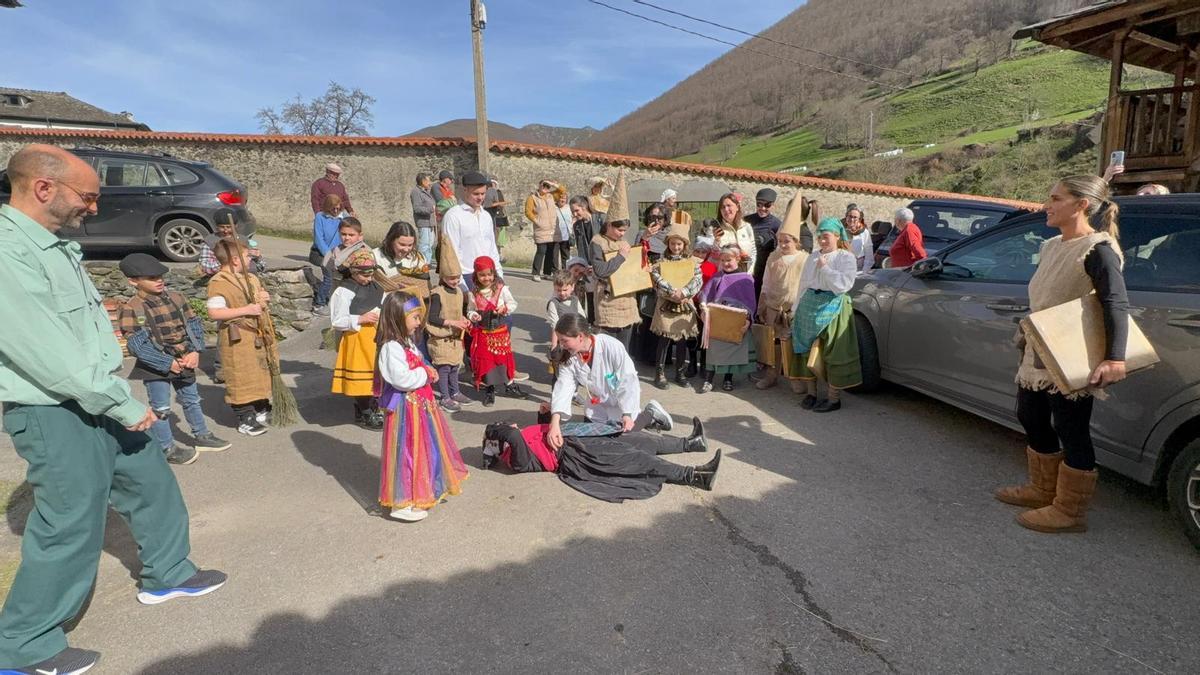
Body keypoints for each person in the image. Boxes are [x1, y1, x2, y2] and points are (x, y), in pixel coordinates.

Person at [0, 144, 225, 674]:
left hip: (100, 396)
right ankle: (22, 645)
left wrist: (113, 398)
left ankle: (167, 574)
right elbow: (43, 351)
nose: (94, 208)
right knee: (71, 518)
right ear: (43, 188)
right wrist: (120, 403)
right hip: (54, 407)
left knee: (149, 481)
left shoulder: (54, 244)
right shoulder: (8, 250)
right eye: (89, 196)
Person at [995, 175, 1129, 534]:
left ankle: (1070, 511)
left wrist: (1115, 358)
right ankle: (1042, 490)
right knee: (1030, 415)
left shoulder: (1098, 248)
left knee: (1071, 427)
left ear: (1081, 204)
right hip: (1040, 349)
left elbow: (1115, 303)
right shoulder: (1053, 245)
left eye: (1055, 198)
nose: (1047, 204)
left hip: (1072, 353)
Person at [117, 253, 230, 464]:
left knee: (191, 399)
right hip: (156, 365)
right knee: (161, 408)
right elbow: (136, 344)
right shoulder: (132, 308)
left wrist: (195, 351)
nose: (159, 280)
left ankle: (202, 435)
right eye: (151, 278)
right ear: (133, 281)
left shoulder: (177, 298)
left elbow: (194, 324)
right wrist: (167, 363)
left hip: (185, 358)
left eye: (160, 276)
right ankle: (166, 448)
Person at [483, 409, 720, 501]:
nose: (512, 425)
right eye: (506, 426)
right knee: (634, 458)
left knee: (637, 439)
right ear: (501, 439)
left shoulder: (521, 437)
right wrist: (494, 430)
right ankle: (695, 476)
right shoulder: (514, 458)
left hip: (578, 437)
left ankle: (691, 444)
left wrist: (545, 414)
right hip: (576, 456)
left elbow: (542, 432)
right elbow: (520, 443)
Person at [376, 291, 469, 522]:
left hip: (418, 406)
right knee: (406, 452)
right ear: (398, 318)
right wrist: (424, 373)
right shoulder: (391, 348)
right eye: (415, 318)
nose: (419, 323)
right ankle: (402, 502)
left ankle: (419, 490)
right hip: (405, 410)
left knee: (421, 449)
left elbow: (417, 360)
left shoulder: (405, 342)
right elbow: (400, 379)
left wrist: (426, 367)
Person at [545, 314, 674, 452]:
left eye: (564, 341)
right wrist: (555, 421)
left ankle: (649, 414)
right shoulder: (569, 357)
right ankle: (637, 420)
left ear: (580, 336)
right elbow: (563, 387)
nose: (562, 346)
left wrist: (627, 414)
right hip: (596, 406)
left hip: (621, 403)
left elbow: (628, 380)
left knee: (622, 442)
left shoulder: (611, 346)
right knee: (593, 443)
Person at [790, 218, 862, 412]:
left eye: (826, 237)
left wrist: (825, 268)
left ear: (837, 236)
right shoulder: (812, 256)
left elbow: (843, 286)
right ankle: (811, 393)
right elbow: (804, 283)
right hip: (809, 303)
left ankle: (833, 398)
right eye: (819, 237)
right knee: (805, 347)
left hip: (834, 305)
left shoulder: (846, 257)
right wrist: (796, 308)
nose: (822, 241)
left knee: (833, 350)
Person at [206, 238, 275, 435]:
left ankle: (261, 407)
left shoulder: (250, 278)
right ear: (235, 259)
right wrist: (247, 309)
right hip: (238, 335)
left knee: (260, 371)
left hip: (258, 333)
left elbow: (258, 301)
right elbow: (215, 313)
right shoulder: (219, 282)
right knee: (240, 374)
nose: (250, 259)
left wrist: (263, 299)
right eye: (246, 256)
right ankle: (245, 417)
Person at [755, 199, 810, 392]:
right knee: (773, 343)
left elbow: (806, 284)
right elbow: (766, 281)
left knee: (791, 343)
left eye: (787, 241)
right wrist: (762, 302)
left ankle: (793, 377)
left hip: (793, 308)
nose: (783, 244)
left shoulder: (804, 259)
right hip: (773, 306)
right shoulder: (773, 257)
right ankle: (771, 374)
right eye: (781, 241)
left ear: (796, 241)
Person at [330, 247, 386, 430]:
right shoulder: (345, 291)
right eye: (364, 276)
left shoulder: (376, 288)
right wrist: (360, 319)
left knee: (375, 375)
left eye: (371, 275)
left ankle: (371, 407)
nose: (369, 279)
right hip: (357, 337)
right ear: (354, 272)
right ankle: (365, 411)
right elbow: (337, 320)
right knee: (361, 379)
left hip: (375, 336)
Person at [589, 171, 641, 351]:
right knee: (608, 347)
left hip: (626, 301)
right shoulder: (597, 241)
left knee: (624, 348)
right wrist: (621, 257)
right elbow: (600, 270)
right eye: (619, 230)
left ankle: (621, 378)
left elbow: (632, 269)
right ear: (610, 225)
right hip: (608, 300)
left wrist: (642, 272)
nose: (622, 234)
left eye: (625, 230)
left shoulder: (624, 242)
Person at [467, 256, 528, 406]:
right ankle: (490, 389)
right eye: (482, 275)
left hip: (500, 333)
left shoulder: (502, 289)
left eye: (489, 274)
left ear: (494, 274)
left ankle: (510, 385)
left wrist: (504, 308)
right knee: (487, 363)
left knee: (503, 360)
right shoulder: (473, 293)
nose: (486, 278)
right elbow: (469, 310)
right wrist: (473, 315)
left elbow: (513, 303)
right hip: (483, 333)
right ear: (476, 275)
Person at [649, 224, 702, 388]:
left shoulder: (692, 263)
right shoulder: (660, 262)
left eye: (679, 244)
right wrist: (672, 292)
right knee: (664, 339)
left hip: (685, 304)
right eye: (673, 244)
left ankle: (680, 372)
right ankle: (660, 374)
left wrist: (684, 292)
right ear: (668, 244)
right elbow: (657, 279)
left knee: (682, 340)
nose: (676, 247)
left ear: (684, 245)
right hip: (666, 304)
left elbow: (697, 280)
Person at [425, 238, 474, 413]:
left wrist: (463, 318)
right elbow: (433, 318)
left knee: (454, 367)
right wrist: (453, 322)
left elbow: (457, 311)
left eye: (457, 278)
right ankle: (444, 396)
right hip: (440, 339)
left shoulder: (459, 292)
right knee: (444, 368)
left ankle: (456, 392)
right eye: (451, 278)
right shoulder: (438, 294)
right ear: (443, 277)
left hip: (454, 338)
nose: (455, 281)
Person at [700, 245, 757, 393]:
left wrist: (748, 320)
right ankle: (708, 379)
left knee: (732, 352)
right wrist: (703, 306)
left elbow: (750, 302)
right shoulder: (717, 277)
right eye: (723, 260)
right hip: (718, 320)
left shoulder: (746, 279)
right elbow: (705, 295)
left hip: (736, 321)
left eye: (729, 260)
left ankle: (728, 378)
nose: (725, 263)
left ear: (737, 259)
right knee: (713, 351)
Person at [442, 170, 502, 291]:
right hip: (466, 275)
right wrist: (462, 286)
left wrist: (499, 275)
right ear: (465, 190)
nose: (480, 198)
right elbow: (451, 252)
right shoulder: (453, 216)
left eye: (483, 193)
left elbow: (492, 248)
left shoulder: (486, 216)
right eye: (476, 194)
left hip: (489, 275)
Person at [373, 220, 431, 302]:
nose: (406, 249)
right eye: (402, 244)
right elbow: (371, 288)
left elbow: (425, 288)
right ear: (391, 240)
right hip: (385, 305)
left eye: (410, 245)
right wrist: (395, 292)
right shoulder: (375, 256)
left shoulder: (418, 260)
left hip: (413, 306)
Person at [703, 193, 758, 274]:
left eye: (729, 205)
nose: (726, 209)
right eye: (723, 207)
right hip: (724, 276)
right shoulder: (714, 230)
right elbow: (710, 255)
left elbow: (753, 252)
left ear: (737, 207)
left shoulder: (747, 227)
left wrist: (749, 272)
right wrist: (717, 241)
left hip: (744, 275)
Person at [199, 209, 264, 277]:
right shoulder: (210, 241)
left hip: (247, 277)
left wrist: (257, 258)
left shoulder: (243, 240)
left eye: (229, 227)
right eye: (222, 227)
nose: (226, 231)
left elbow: (261, 266)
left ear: (236, 226)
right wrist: (226, 262)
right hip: (223, 278)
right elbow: (204, 266)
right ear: (216, 226)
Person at [310, 194, 343, 316]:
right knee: (328, 277)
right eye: (333, 208)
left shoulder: (343, 217)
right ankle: (319, 304)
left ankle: (334, 302)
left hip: (339, 253)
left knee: (340, 278)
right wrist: (328, 255)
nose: (335, 211)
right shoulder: (320, 217)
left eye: (338, 208)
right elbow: (319, 238)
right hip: (322, 253)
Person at [746, 188, 782, 297]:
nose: (762, 208)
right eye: (759, 204)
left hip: (764, 272)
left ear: (773, 205)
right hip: (747, 268)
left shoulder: (777, 225)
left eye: (767, 205)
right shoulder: (747, 221)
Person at [526, 179, 560, 281]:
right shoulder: (532, 198)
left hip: (552, 229)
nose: (545, 188)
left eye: (547, 186)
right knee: (541, 251)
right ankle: (536, 273)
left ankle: (547, 272)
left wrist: (553, 184)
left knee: (550, 251)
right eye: (543, 186)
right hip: (541, 229)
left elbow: (562, 191)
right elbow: (528, 211)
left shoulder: (551, 196)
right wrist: (537, 221)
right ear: (539, 186)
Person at [546, 270, 585, 352]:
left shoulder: (575, 300)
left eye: (565, 290)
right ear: (554, 287)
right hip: (562, 342)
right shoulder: (554, 303)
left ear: (572, 287)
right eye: (558, 290)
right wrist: (554, 346)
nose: (562, 293)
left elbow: (582, 319)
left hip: (576, 339)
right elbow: (555, 326)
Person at [410, 172, 437, 263]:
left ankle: (427, 262)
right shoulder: (416, 192)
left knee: (430, 244)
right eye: (428, 181)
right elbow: (417, 208)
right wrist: (430, 209)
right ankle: (422, 263)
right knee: (424, 244)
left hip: (430, 222)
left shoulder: (425, 191)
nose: (430, 183)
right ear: (422, 181)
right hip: (423, 222)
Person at [483, 176, 511, 262]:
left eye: (494, 183)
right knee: (492, 236)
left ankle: (497, 254)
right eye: (492, 183)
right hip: (490, 215)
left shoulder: (498, 192)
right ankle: (492, 255)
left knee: (498, 237)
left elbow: (500, 204)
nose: (493, 185)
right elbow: (490, 204)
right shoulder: (487, 192)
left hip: (498, 217)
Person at [570, 195, 603, 262]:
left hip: (603, 259)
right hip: (588, 262)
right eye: (572, 212)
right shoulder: (576, 226)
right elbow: (576, 246)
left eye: (576, 210)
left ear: (584, 207)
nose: (575, 214)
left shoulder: (600, 218)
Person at [844, 206, 874, 273]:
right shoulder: (839, 230)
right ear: (846, 217)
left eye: (855, 217)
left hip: (857, 271)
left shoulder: (864, 232)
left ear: (859, 219)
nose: (852, 219)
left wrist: (863, 272)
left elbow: (869, 257)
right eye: (850, 216)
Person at [553, 185, 573, 270]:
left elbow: (574, 217)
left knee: (566, 255)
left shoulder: (569, 208)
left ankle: (565, 271)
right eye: (561, 198)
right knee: (554, 255)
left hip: (566, 235)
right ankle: (555, 271)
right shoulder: (553, 208)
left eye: (564, 199)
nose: (562, 200)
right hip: (555, 235)